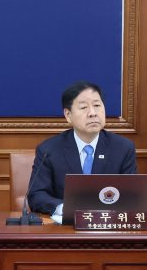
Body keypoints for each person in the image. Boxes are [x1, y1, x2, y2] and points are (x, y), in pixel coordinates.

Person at [27, 81, 138, 216]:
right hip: (66, 225)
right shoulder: (49, 150)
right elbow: (36, 195)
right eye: (84, 107)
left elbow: (131, 195)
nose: (92, 113)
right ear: (68, 115)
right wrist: (64, 208)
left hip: (108, 223)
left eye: (97, 105)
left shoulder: (123, 148)